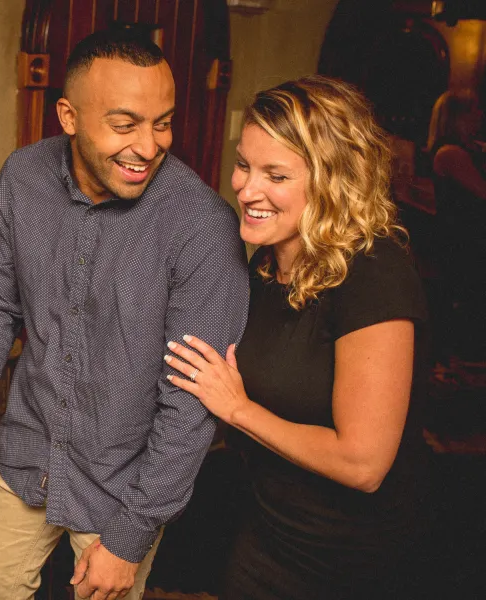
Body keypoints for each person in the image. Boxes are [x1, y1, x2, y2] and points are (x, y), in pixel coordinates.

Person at [0, 28, 249, 600]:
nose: (149, 146)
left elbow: (190, 409)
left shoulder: (203, 228)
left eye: (163, 122)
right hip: (25, 455)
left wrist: (130, 538)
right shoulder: (23, 178)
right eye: (125, 125)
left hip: (125, 487)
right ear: (69, 116)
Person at [164, 76, 429, 599]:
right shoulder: (266, 266)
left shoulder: (374, 275)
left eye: (275, 174)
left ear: (331, 181)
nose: (245, 189)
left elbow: (363, 463)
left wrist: (237, 410)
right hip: (267, 531)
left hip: (349, 559)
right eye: (243, 164)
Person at [426, 90, 486, 359]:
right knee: (467, 297)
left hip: (469, 235)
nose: (480, 115)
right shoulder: (450, 152)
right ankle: (459, 358)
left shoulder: (464, 149)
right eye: (473, 110)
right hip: (462, 239)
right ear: (457, 117)